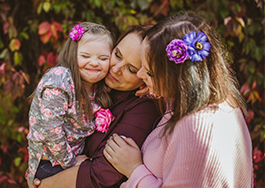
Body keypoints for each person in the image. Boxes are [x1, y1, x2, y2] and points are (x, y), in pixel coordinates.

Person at [104, 12, 254, 187]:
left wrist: (135, 170)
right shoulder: (218, 101)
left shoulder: (197, 128)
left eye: (149, 72)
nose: (139, 75)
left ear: (178, 79)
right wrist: (155, 88)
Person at [27, 24, 161, 187]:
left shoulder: (143, 109)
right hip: (54, 164)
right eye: (117, 55)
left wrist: (43, 185)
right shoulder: (86, 82)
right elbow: (49, 127)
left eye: (131, 69)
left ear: (145, 76)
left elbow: (103, 173)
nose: (116, 68)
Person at [26, 22, 115, 183]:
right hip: (50, 163)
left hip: (69, 160)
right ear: (72, 54)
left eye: (103, 58)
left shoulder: (98, 88)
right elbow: (51, 130)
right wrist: (71, 162)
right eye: (85, 56)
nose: (94, 62)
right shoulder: (61, 78)